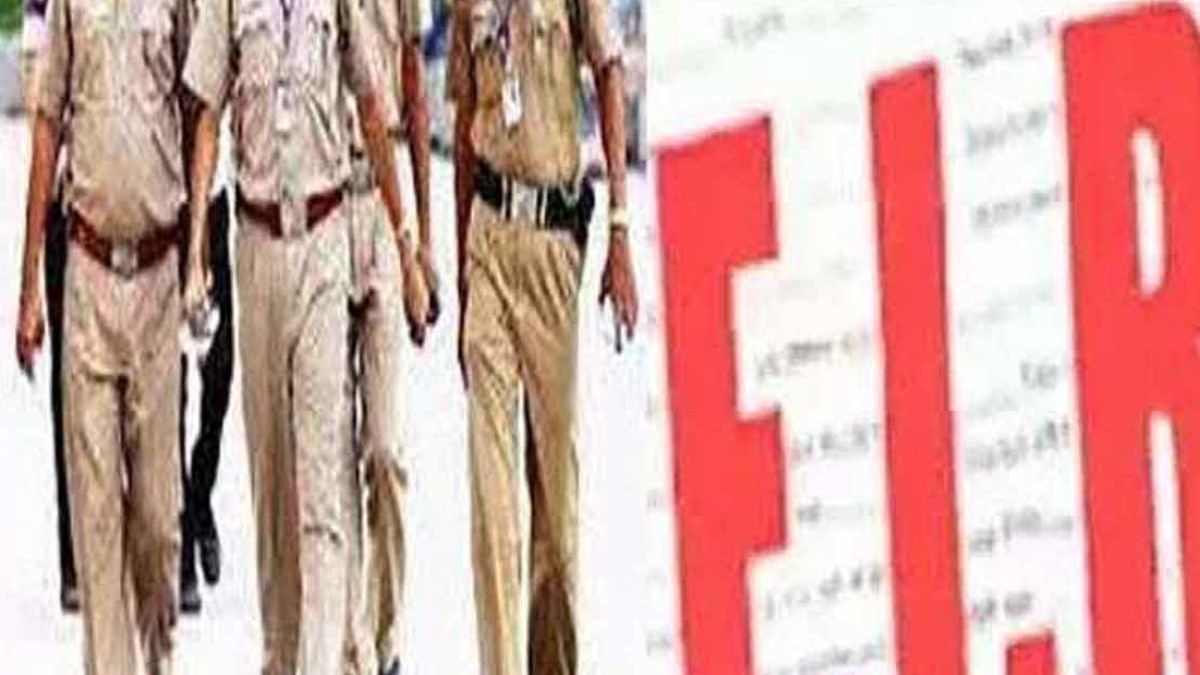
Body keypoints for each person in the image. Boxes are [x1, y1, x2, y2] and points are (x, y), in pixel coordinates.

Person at [181, 0, 429, 668]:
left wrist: (409, 248)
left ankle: (336, 656)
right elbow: (207, 119)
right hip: (256, 245)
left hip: (325, 241)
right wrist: (197, 252)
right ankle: (282, 655)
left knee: (325, 483)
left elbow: (374, 108)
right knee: (274, 486)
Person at [447, 0, 639, 673]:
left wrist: (619, 229)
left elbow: (609, 73)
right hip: (488, 240)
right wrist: (462, 275)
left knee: (555, 508)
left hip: (555, 246)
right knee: (493, 505)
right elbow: (462, 121)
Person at [16, 0, 195, 668]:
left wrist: (200, 256)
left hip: (159, 275)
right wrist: (29, 286)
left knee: (157, 520)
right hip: (89, 272)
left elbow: (198, 114)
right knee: (96, 518)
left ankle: (158, 654)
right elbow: (46, 124)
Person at [341, 0, 437, 671]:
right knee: (327, 458)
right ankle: (346, 642)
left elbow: (413, 90)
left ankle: (385, 637)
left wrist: (422, 244)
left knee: (384, 451)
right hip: (318, 203)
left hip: (383, 208)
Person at [177, 185, 234, 615]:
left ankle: (199, 495)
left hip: (212, 206)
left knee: (219, 374)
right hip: (164, 208)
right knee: (170, 391)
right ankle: (180, 551)